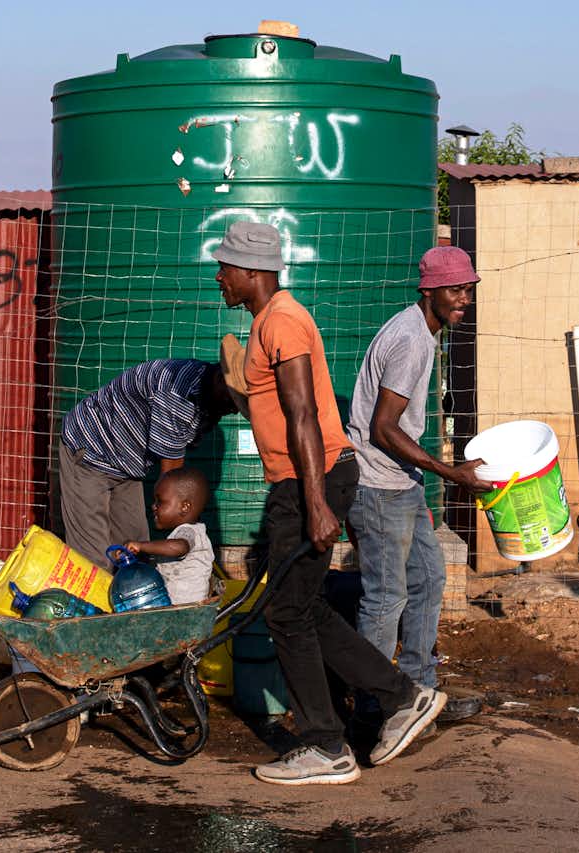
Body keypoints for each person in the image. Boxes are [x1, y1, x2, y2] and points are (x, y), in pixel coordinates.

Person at [213, 220, 445, 786]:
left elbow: (304, 417)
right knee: (303, 606)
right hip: (299, 483)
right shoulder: (267, 324)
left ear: (250, 272)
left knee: (285, 613)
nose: (218, 279)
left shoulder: (284, 323)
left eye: (224, 269)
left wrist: (316, 503)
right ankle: (399, 699)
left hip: (310, 481)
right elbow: (273, 411)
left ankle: (328, 745)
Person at [346, 246, 491, 703]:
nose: (463, 299)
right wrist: (450, 473)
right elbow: (383, 428)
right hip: (378, 486)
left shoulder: (421, 331)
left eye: (468, 290)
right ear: (429, 291)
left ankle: (417, 689)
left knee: (428, 578)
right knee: (386, 598)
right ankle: (374, 705)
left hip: (401, 481)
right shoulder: (411, 339)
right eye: (455, 290)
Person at [58, 357, 233, 565]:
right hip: (91, 453)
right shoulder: (177, 394)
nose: (236, 410)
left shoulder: (210, 397)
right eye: (234, 401)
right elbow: (172, 480)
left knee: (134, 552)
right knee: (93, 558)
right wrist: (181, 527)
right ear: (221, 380)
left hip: (129, 464)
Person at [119, 467, 217, 606]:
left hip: (186, 606)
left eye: (160, 501)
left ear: (185, 507)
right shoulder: (184, 532)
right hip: (176, 605)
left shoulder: (189, 532)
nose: (153, 506)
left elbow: (179, 548)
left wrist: (141, 545)